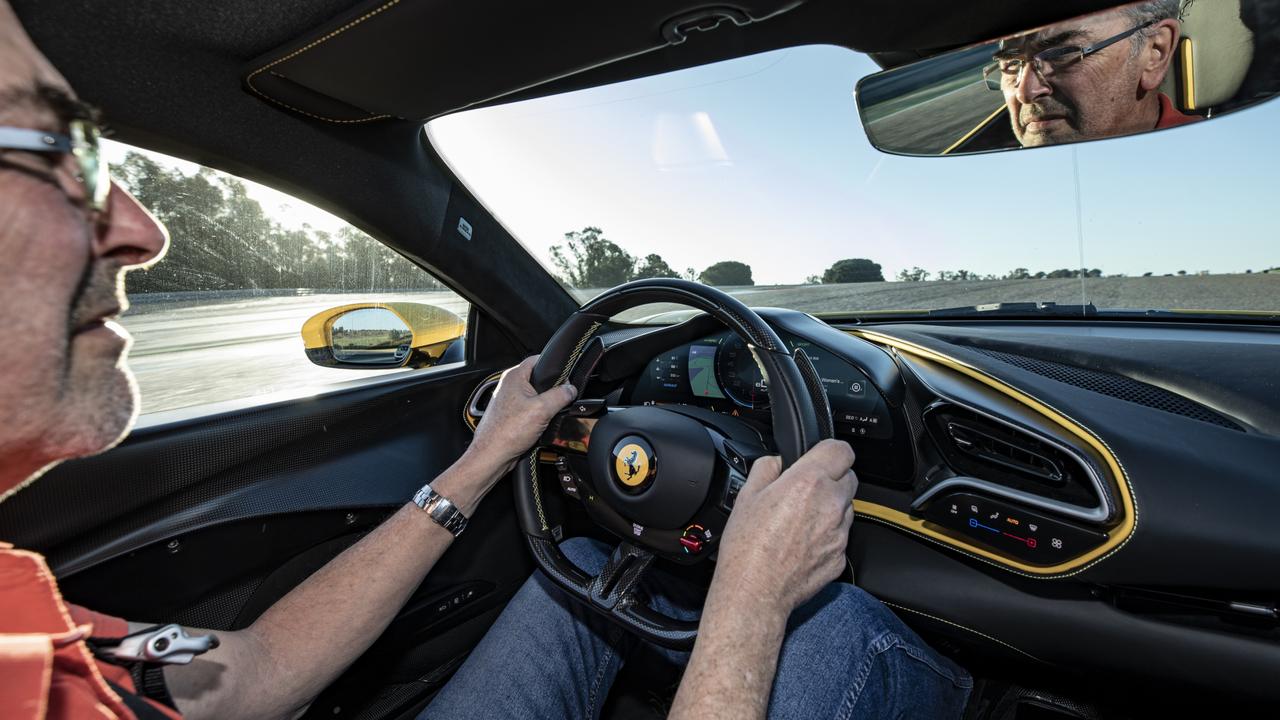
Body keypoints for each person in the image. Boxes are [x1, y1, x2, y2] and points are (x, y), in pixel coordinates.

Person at [0, 1, 970, 718]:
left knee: (586, 564)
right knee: (835, 629)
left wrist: (482, 458)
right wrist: (753, 598)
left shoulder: (17, 612)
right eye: (52, 151)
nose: (138, 227)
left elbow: (246, 679)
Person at [988, 0, 1201, 147]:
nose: (1025, 92)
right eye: (1012, 63)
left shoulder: (1211, 164)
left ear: (1155, 53)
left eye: (1061, 54)